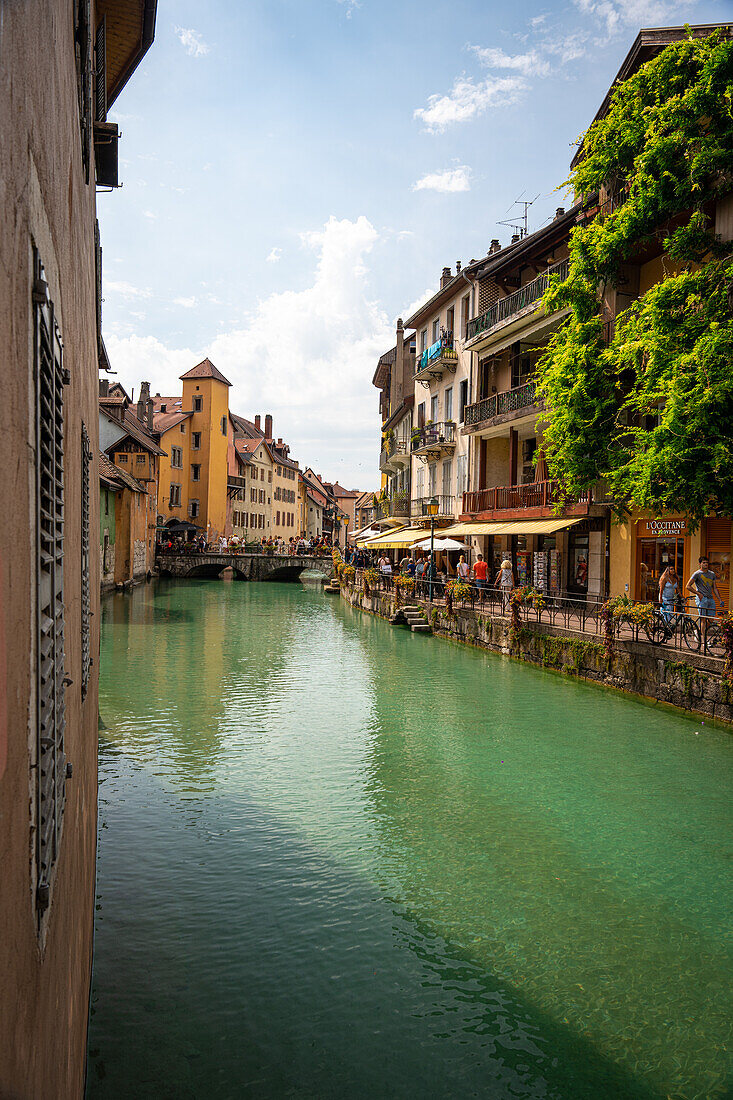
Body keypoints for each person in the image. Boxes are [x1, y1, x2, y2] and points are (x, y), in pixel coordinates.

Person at [686, 556, 724, 635]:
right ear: (700, 564)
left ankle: (698, 631)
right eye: (704, 563)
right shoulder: (697, 574)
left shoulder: (712, 574)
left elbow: (715, 588)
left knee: (711, 619)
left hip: (710, 598)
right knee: (703, 619)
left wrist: (720, 599)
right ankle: (704, 641)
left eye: (707, 563)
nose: (706, 564)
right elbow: (688, 586)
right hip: (702, 599)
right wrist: (698, 593)